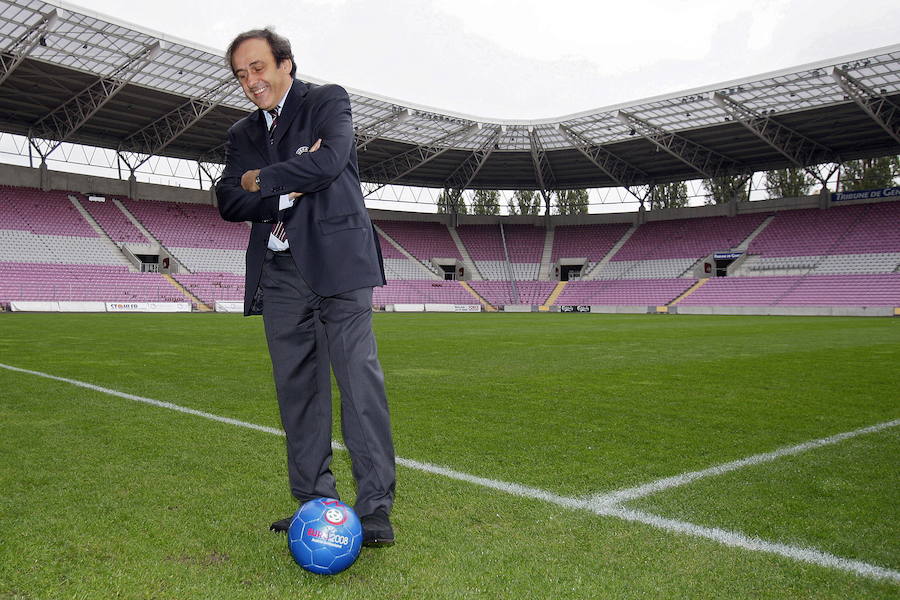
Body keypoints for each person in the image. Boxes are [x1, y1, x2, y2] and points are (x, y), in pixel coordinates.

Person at [216, 28, 395, 547]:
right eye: (241, 75)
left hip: (339, 263)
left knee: (359, 385)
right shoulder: (241, 134)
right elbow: (227, 200)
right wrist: (275, 183)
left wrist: (258, 179)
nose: (251, 81)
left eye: (258, 68)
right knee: (299, 393)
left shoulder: (326, 101)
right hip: (279, 274)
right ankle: (316, 503)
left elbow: (330, 161)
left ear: (286, 64)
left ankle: (376, 507)